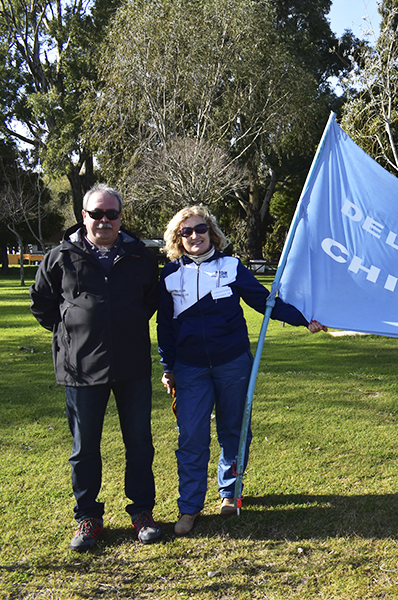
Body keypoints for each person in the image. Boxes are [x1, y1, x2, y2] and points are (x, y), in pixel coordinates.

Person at [157, 206, 325, 535]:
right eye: (186, 232)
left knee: (234, 430)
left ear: (212, 231)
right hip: (190, 369)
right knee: (191, 436)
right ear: (177, 238)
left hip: (232, 362)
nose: (194, 236)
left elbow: (265, 302)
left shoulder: (232, 267)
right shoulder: (169, 275)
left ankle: (230, 493)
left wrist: (304, 319)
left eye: (200, 228)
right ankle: (189, 507)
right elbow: (165, 327)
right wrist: (168, 367)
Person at [30, 184, 161, 551]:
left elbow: (149, 302)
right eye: (96, 214)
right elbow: (42, 304)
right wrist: (73, 332)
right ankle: (88, 517)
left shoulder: (141, 257)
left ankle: (142, 513)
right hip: (81, 369)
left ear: (121, 217)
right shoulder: (60, 257)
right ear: (83, 216)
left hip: (132, 365)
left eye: (111, 214)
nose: (104, 220)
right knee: (84, 448)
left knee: (139, 444)